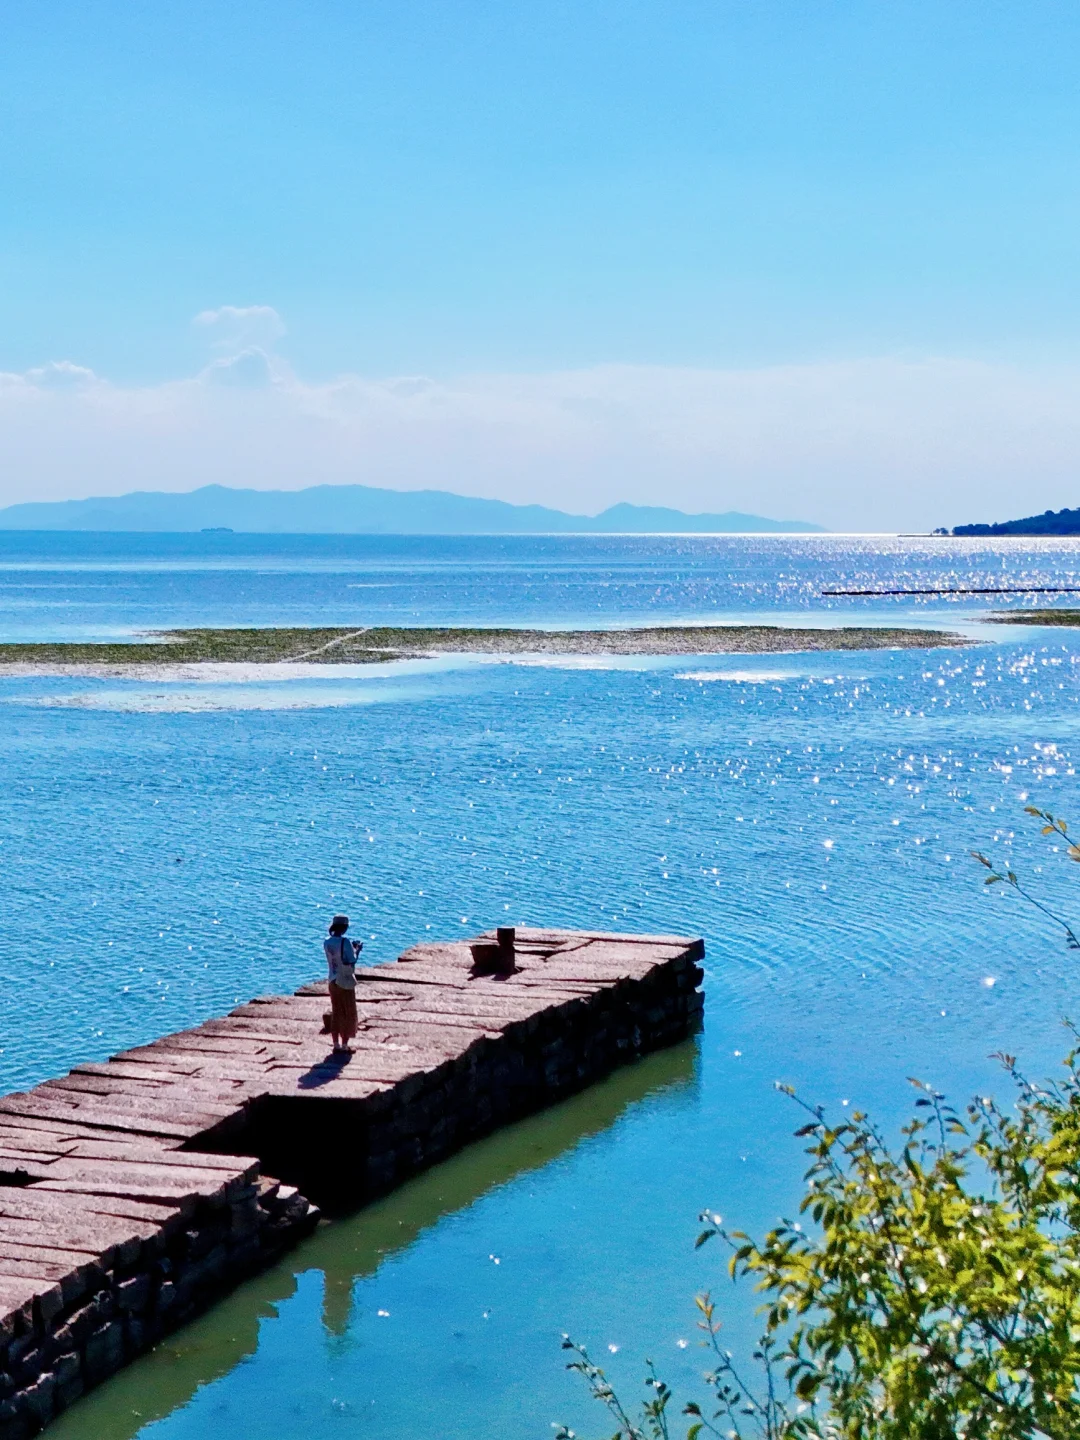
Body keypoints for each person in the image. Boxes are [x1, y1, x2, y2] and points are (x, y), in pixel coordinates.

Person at [323, 915, 361, 1052]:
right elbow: (351, 961)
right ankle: (344, 1045)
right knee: (347, 1012)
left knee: (336, 1012)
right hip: (344, 981)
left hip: (332, 980)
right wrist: (357, 950)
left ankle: (335, 1044)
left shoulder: (326, 942)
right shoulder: (345, 942)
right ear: (344, 927)